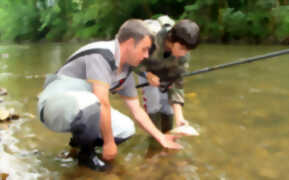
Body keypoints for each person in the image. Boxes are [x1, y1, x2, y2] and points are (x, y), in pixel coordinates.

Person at [37, 19, 182, 171]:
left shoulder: (125, 72)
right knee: (93, 102)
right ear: (130, 43)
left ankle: (78, 145)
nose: (146, 56)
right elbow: (102, 101)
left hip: (80, 108)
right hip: (52, 104)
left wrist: (161, 137)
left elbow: (137, 111)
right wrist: (109, 142)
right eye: (144, 49)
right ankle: (86, 156)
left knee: (126, 128)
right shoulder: (101, 55)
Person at [136, 16, 200, 133]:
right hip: (145, 66)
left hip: (167, 68)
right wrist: (148, 74)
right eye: (182, 48)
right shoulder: (148, 38)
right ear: (171, 40)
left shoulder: (183, 56)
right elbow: (132, 62)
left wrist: (179, 118)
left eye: (188, 50)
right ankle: (154, 138)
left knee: (169, 109)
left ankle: (167, 135)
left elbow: (177, 83)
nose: (184, 53)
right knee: (153, 103)